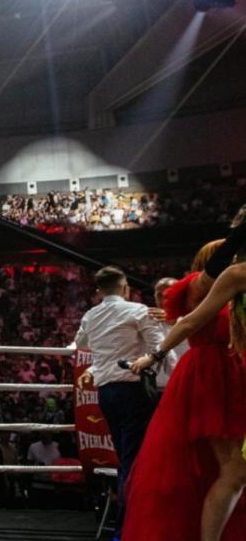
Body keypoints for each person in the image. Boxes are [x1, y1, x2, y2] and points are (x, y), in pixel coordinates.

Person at [124, 226, 246, 541]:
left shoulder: (229, 288)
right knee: (233, 470)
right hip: (211, 377)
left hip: (233, 375)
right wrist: (154, 355)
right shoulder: (205, 285)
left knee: (228, 470)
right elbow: (190, 320)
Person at [73, 266, 164, 538]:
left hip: (107, 392)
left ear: (99, 291)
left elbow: (81, 343)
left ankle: (126, 526)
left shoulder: (91, 315)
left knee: (127, 458)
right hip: (136, 390)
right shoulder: (137, 311)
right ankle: (127, 528)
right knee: (133, 460)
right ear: (125, 287)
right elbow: (159, 344)